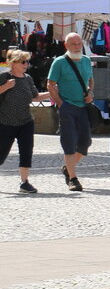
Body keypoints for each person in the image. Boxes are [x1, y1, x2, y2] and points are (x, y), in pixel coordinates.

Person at [46, 32, 94, 192]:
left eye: (79, 43)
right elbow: (50, 84)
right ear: (66, 45)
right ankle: (73, 178)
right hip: (67, 107)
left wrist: (90, 93)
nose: (77, 47)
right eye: (73, 44)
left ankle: (67, 168)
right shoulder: (59, 62)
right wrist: (61, 104)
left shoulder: (86, 60)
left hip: (83, 107)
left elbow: (91, 80)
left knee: (85, 143)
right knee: (69, 142)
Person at [0, 50, 51, 193]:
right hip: (6, 122)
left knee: (26, 152)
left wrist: (52, 93)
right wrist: (6, 86)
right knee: (1, 153)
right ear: (14, 63)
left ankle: (24, 182)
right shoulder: (4, 77)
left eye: (27, 62)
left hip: (26, 122)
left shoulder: (28, 78)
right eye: (23, 62)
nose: (26, 64)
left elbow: (35, 97)